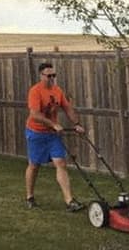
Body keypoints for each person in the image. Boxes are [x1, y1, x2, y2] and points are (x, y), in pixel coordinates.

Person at [24, 62, 86, 211]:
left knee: (61, 163)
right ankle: (30, 197)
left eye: (54, 75)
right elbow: (35, 115)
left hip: (52, 135)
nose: (52, 78)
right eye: (49, 75)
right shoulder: (35, 91)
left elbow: (67, 108)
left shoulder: (58, 91)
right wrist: (53, 124)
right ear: (41, 76)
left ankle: (69, 201)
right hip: (36, 133)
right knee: (34, 165)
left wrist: (77, 123)